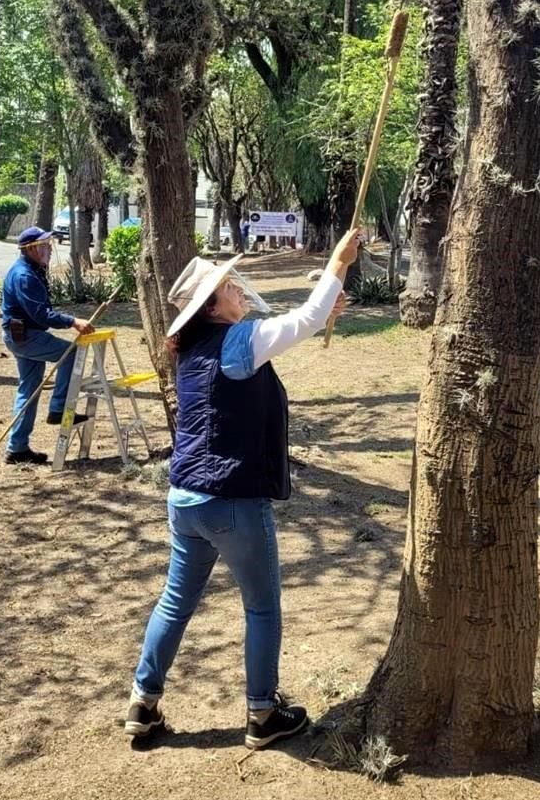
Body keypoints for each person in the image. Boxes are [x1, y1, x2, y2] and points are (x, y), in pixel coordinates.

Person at [125, 228, 361, 749]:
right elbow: (304, 319)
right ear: (211, 306)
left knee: (174, 603)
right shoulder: (236, 341)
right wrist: (338, 263)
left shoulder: (196, 349)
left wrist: (325, 307)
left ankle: (143, 703)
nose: (238, 290)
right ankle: (262, 713)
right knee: (261, 607)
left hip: (185, 497)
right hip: (231, 501)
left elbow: (294, 330)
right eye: (228, 287)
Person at [1, 226, 94, 465]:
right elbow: (41, 314)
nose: (49, 249)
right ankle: (59, 409)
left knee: (29, 390)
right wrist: (73, 321)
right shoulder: (24, 275)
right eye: (44, 245)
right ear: (31, 249)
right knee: (69, 353)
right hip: (26, 336)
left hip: (23, 335)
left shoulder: (32, 269)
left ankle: (18, 448)